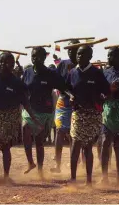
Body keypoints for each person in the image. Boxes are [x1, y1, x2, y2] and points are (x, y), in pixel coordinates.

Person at [0, 52, 39, 181]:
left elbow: (25, 102)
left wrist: (33, 117)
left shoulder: (16, 82)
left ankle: (6, 176)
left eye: (9, 63)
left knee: (5, 147)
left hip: (10, 117)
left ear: (12, 65)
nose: (5, 65)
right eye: (2, 62)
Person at [66, 44, 110, 186]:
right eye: (78, 54)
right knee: (75, 144)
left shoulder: (96, 73)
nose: (79, 57)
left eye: (83, 54)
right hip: (78, 113)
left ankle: (89, 180)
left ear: (90, 57)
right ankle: (73, 179)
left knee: (88, 147)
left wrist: (101, 99)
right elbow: (66, 89)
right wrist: (70, 95)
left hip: (92, 114)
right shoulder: (72, 72)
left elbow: (106, 91)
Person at [22, 46, 66, 178]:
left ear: (44, 57)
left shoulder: (50, 73)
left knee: (39, 140)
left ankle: (40, 170)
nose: (35, 58)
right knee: (25, 128)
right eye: (33, 55)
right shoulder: (28, 72)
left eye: (38, 56)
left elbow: (62, 86)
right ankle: (30, 162)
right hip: (30, 109)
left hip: (45, 111)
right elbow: (23, 88)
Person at [99, 45, 119, 185]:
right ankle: (104, 176)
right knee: (105, 141)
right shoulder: (104, 72)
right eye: (108, 55)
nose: (108, 58)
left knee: (117, 145)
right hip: (108, 108)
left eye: (110, 55)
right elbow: (101, 90)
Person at [51, 40, 80, 173]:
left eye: (73, 49)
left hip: (80, 102)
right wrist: (68, 93)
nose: (70, 51)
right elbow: (57, 83)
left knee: (75, 134)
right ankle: (58, 164)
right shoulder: (63, 64)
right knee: (60, 130)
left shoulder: (83, 64)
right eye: (68, 49)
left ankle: (78, 161)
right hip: (63, 101)